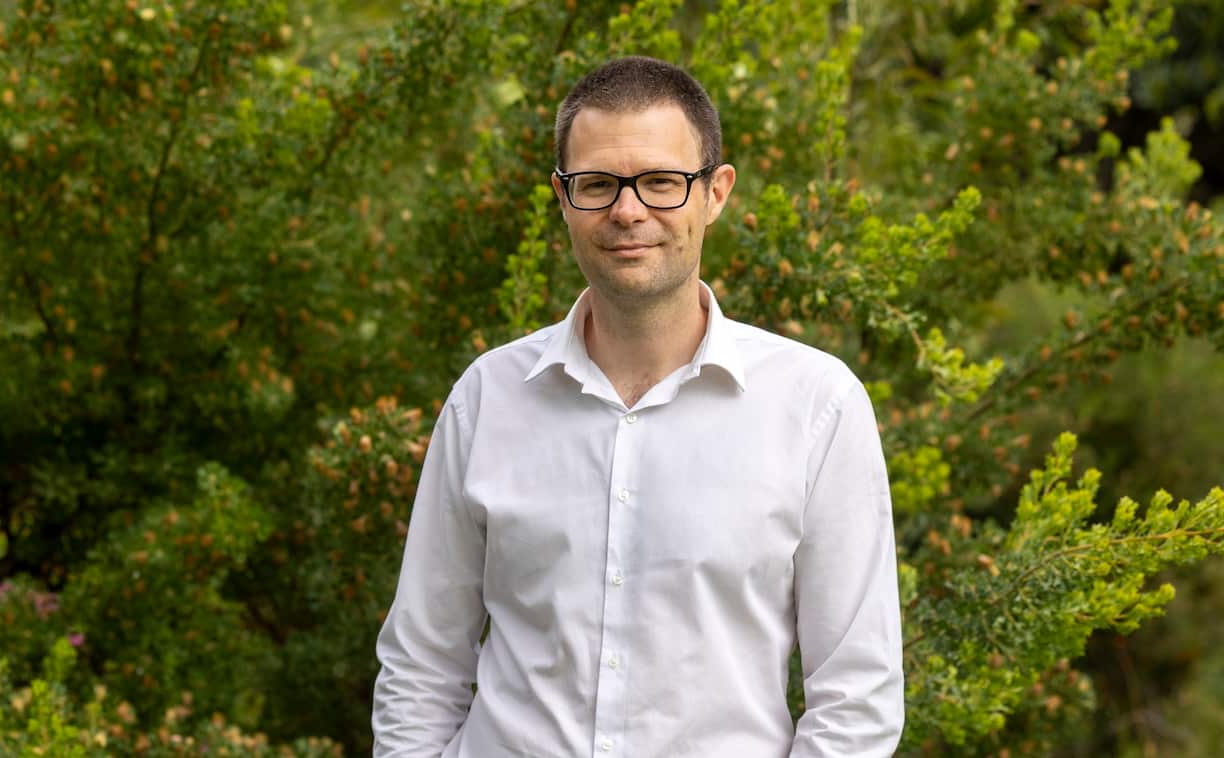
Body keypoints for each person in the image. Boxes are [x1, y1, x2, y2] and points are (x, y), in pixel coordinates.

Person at [372, 56, 904, 757]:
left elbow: (856, 698)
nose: (627, 211)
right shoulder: (488, 397)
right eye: (597, 185)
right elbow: (422, 663)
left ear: (715, 193)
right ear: (563, 197)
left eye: (660, 182)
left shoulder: (817, 406)